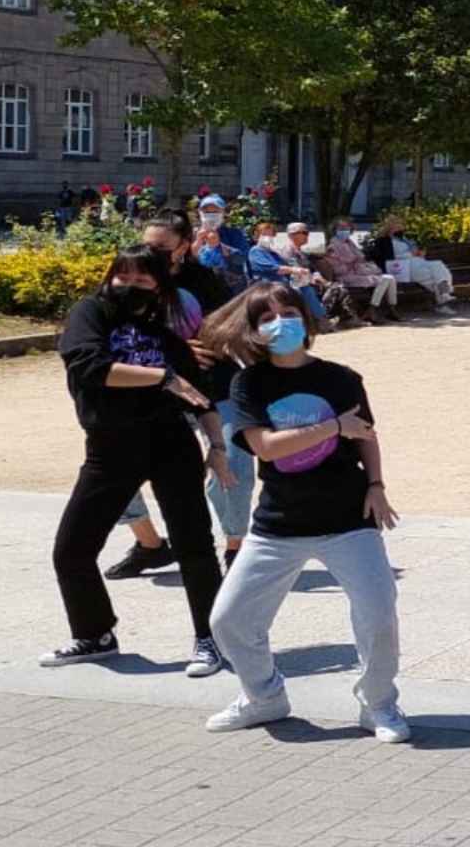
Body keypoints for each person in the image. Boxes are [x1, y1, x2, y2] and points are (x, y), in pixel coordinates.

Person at [201, 282, 410, 743]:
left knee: (378, 616)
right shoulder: (248, 383)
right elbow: (268, 449)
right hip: (278, 524)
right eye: (267, 317)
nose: (281, 323)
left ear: (306, 317)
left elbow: (365, 435)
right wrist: (334, 425)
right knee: (229, 620)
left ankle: (378, 704)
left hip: (348, 519)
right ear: (254, 331)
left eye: (289, 312)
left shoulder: (341, 378)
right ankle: (263, 697)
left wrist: (376, 485)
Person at [40, 244, 234, 676]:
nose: (129, 286)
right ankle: (95, 634)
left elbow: (201, 396)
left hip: (171, 446)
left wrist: (218, 448)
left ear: (160, 288)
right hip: (110, 449)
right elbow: (91, 366)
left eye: (143, 280)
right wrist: (163, 378)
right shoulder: (89, 314)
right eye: (122, 277)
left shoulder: (164, 337)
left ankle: (213, 638)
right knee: (72, 549)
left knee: (194, 546)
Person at [105, 212, 254, 579]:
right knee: (110, 462)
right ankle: (150, 544)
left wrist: (207, 343)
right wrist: (172, 349)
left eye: (160, 248)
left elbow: (230, 329)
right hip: (152, 391)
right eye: (145, 244)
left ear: (183, 247)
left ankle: (235, 548)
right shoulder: (127, 281)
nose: (148, 254)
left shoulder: (205, 281)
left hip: (212, 387)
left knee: (234, 460)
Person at [248, 221, 331, 329]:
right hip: (266, 286)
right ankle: (307, 323)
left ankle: (320, 319)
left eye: (270, 235)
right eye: (264, 234)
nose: (267, 237)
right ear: (256, 236)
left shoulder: (272, 253)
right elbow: (273, 269)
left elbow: (287, 269)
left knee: (306, 289)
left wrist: (299, 274)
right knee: (297, 292)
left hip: (282, 283)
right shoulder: (255, 251)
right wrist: (294, 270)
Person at [367, 216, 455, 312]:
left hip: (416, 261)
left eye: (402, 225)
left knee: (438, 264)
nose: (402, 227)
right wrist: (410, 253)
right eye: (398, 225)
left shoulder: (404, 238)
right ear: (391, 227)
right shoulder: (384, 240)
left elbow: (414, 251)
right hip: (402, 266)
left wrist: (419, 252)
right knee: (430, 276)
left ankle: (443, 295)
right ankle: (443, 299)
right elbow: (386, 258)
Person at [323, 219, 402, 323]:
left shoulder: (350, 243)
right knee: (384, 280)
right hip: (346, 277)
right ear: (335, 230)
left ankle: (391, 309)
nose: (344, 231)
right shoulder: (333, 246)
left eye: (347, 228)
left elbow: (361, 257)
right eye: (341, 229)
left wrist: (358, 262)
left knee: (390, 278)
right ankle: (372, 310)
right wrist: (352, 263)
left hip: (359, 274)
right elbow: (337, 270)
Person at [193, 195, 251, 294]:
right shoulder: (193, 234)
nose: (211, 215)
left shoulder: (234, 233)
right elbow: (186, 260)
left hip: (232, 289)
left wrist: (220, 246)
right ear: (200, 213)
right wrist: (198, 242)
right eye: (207, 212)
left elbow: (242, 258)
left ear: (223, 213)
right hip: (202, 289)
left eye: (215, 212)